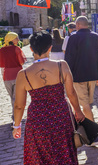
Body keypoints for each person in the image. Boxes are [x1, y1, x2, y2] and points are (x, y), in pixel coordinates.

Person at [12, 31, 85, 164]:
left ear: (31, 49)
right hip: (61, 116)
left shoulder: (23, 74)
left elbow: (19, 105)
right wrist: (78, 111)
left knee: (40, 156)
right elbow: (71, 93)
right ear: (50, 47)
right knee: (64, 152)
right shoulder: (61, 65)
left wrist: (16, 126)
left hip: (37, 120)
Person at [65, 16, 98, 146]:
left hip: (78, 76)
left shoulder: (73, 37)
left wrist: (67, 77)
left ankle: (94, 136)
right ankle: (85, 130)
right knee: (86, 102)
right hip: (93, 75)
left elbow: (69, 58)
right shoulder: (96, 36)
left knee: (85, 105)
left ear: (77, 25)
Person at [0, 32, 26, 121]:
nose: (18, 40)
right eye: (16, 38)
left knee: (13, 98)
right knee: (17, 98)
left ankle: (14, 116)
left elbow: (1, 65)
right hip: (17, 75)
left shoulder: (1, 50)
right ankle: (15, 117)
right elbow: (22, 62)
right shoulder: (17, 49)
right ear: (11, 39)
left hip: (6, 77)